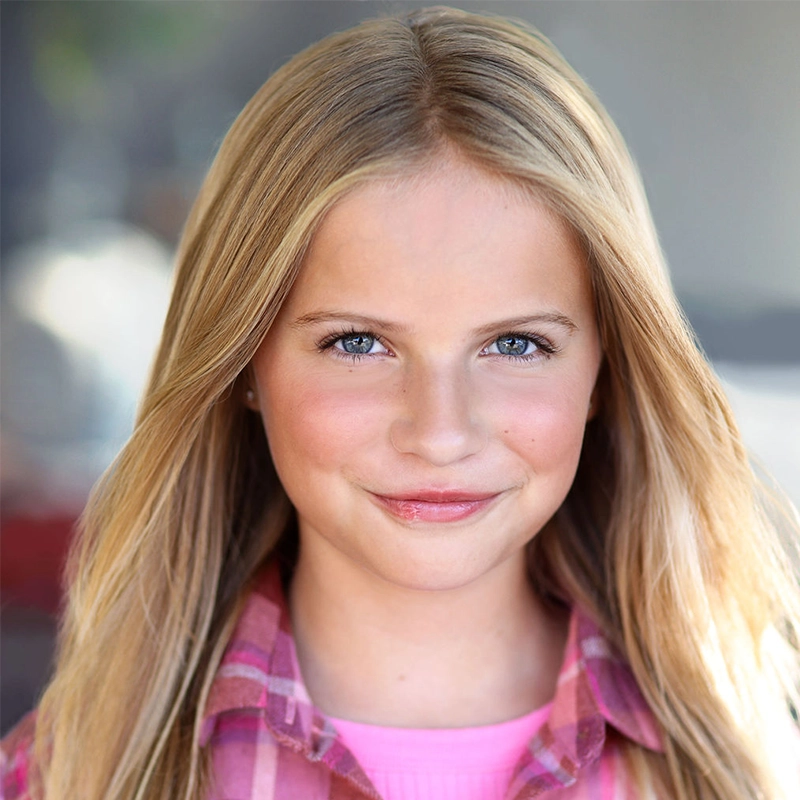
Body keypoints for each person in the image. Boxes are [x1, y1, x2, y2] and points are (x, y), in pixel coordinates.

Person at [3, 7, 799, 799]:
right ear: (245, 361)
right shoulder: (67, 777)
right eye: (358, 343)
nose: (440, 433)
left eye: (516, 345)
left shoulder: (748, 771)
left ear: (607, 370)